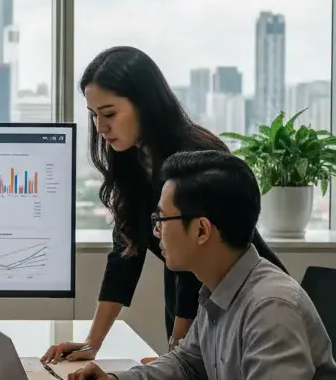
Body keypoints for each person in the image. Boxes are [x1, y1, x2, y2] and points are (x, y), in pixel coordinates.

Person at [65, 150, 336, 380]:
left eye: (161, 220)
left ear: (201, 230)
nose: (156, 232)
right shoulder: (219, 288)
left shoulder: (272, 306)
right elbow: (188, 366)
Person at [43, 46, 285, 364]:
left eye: (110, 114)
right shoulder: (132, 160)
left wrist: (175, 356)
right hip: (194, 311)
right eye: (94, 115)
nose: (100, 128)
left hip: (245, 306)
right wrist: (92, 343)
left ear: (144, 104)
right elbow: (125, 254)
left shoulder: (195, 156)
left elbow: (195, 264)